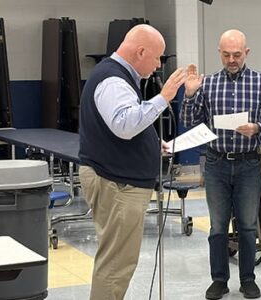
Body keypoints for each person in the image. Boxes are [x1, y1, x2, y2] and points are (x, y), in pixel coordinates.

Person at [77, 24, 187, 299]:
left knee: (117, 261)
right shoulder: (114, 80)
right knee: (116, 265)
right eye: (157, 57)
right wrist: (164, 98)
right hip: (117, 185)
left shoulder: (117, 76)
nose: (158, 64)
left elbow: (126, 123)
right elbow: (124, 124)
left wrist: (150, 143)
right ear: (140, 51)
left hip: (118, 180)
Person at [179, 29, 261, 300]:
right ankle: (219, 280)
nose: (231, 59)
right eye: (226, 54)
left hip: (249, 163)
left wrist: (258, 127)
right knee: (217, 226)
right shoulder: (209, 83)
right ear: (220, 53)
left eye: (236, 54)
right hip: (216, 164)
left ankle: (248, 279)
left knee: (248, 226)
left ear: (246, 53)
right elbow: (189, 121)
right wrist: (190, 94)